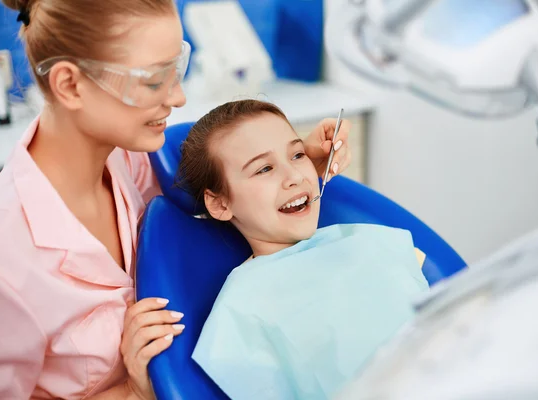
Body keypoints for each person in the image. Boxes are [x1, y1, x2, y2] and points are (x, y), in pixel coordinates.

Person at [0, 1, 352, 398]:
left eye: (176, 67)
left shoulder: (134, 156)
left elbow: (225, 180)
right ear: (70, 84)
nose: (177, 97)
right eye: (153, 80)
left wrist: (298, 162)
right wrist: (133, 392)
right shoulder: (2, 260)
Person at [176, 100, 429, 399]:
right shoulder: (241, 315)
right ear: (220, 203)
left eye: (297, 154)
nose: (295, 176)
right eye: (265, 168)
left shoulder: (366, 241)